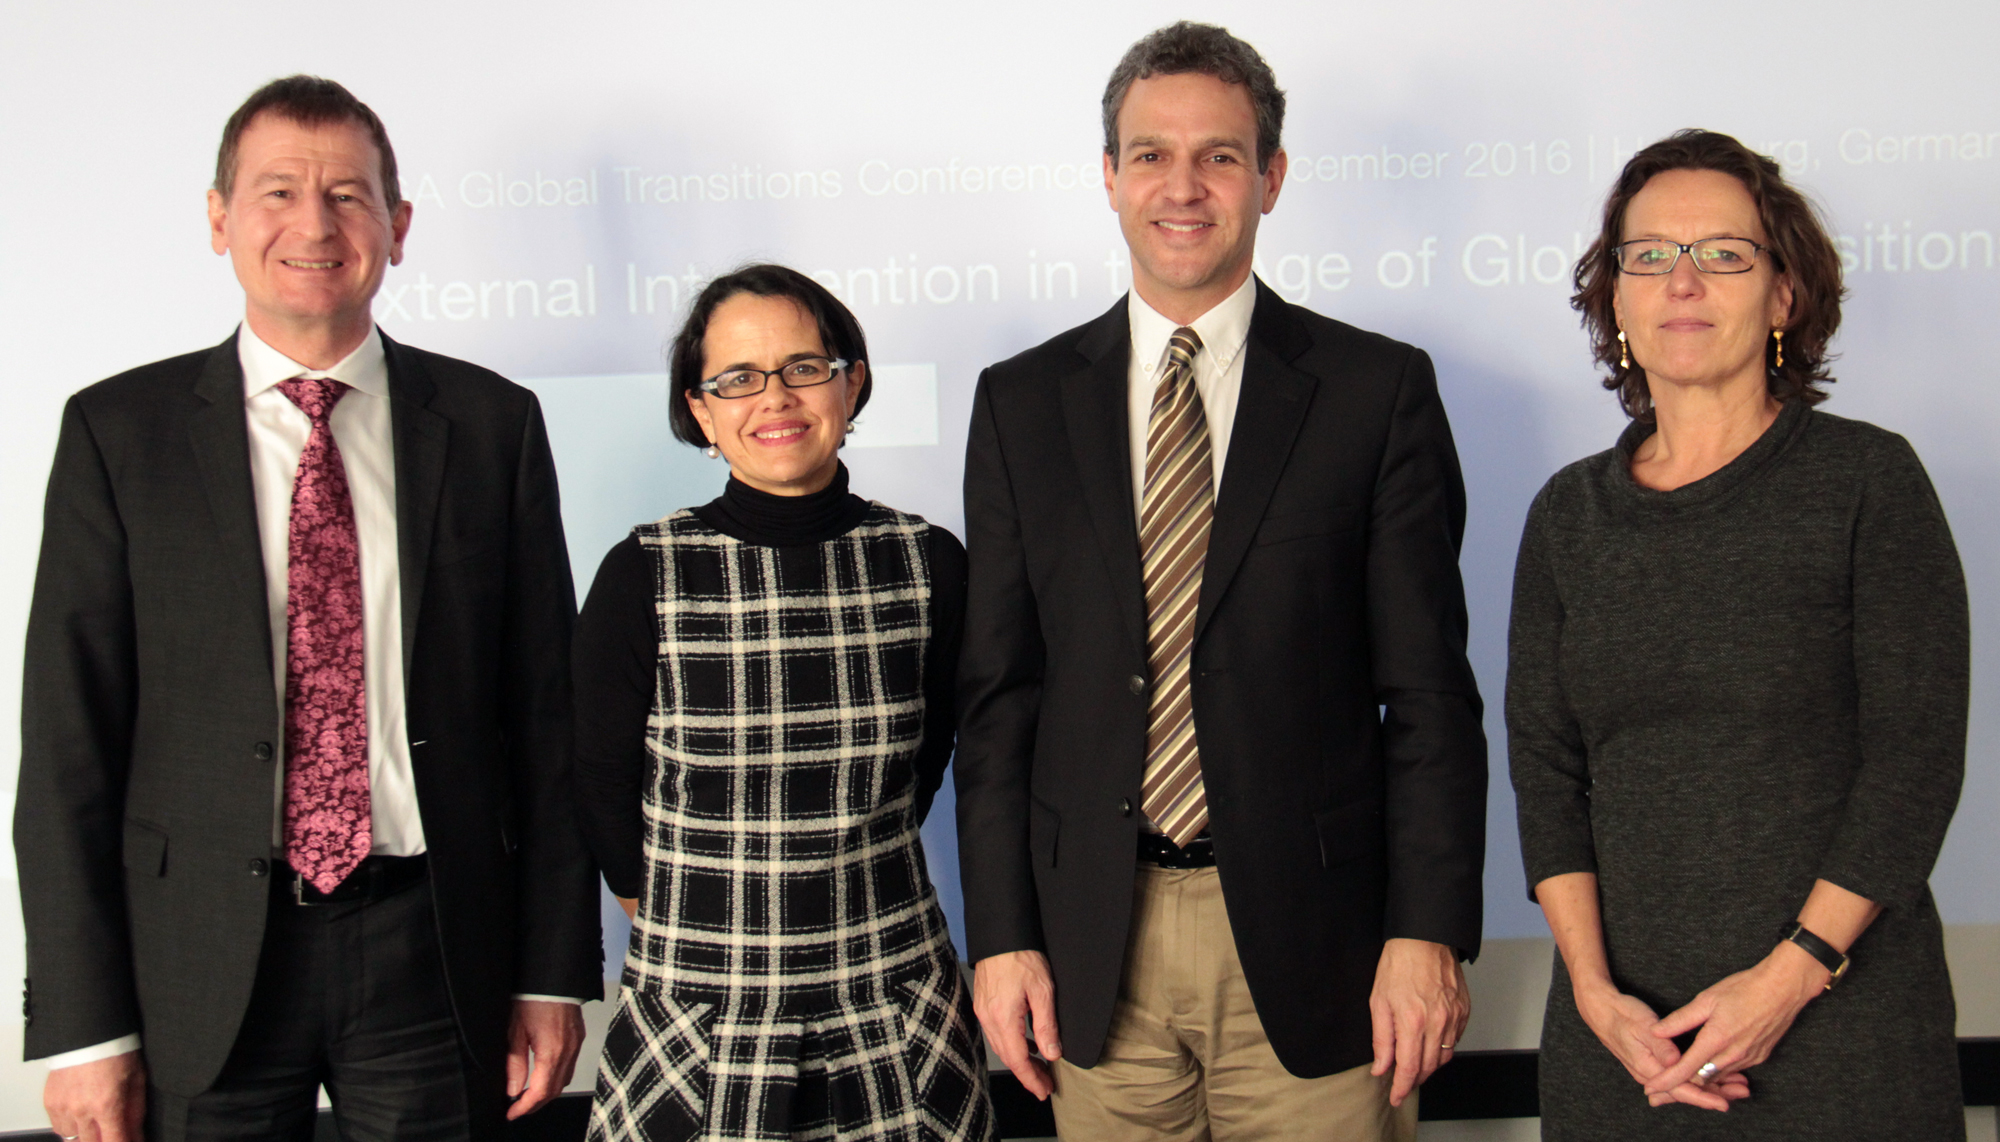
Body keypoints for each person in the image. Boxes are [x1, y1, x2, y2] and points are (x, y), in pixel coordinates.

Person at [17, 76, 600, 1142]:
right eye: (277, 190)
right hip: (195, 962)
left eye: (348, 193)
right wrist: (84, 1027)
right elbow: (67, 748)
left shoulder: (488, 424)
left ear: (398, 225)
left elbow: (546, 722)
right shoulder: (118, 432)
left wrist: (552, 969)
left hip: (431, 951)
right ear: (218, 218)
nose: (314, 224)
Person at [955, 22, 1488, 1141]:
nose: (1182, 186)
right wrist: (1000, 933)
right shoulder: (1019, 402)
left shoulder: (1373, 390)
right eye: (1150, 154)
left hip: (1322, 945)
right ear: (1107, 177)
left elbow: (1429, 695)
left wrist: (1425, 928)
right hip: (1097, 944)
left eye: (1220, 155)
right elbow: (999, 701)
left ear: (1271, 177)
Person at [1508, 129, 1968, 1140]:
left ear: (1783, 294)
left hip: (1841, 1036)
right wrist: (1591, 991)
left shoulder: (1866, 483)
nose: (1682, 280)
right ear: (1614, 299)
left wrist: (1784, 980)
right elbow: (1546, 771)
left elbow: (1913, 761)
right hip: (1621, 1046)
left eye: (1722, 253)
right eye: (1649, 256)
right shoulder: (1564, 516)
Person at [572, 264, 993, 1142]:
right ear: (702, 410)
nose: (776, 398)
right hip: (699, 1009)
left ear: (852, 382)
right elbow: (604, 784)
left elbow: (925, 770)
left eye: (805, 367)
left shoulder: (928, 564)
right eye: (738, 378)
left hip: (891, 988)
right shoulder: (644, 571)